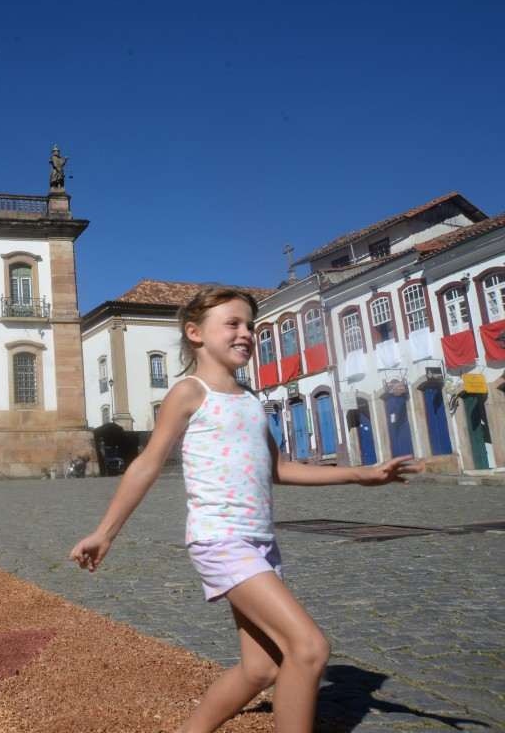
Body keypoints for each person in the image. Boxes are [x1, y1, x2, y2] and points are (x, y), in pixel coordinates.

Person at [69, 286, 416, 733]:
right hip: (221, 539)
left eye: (249, 325)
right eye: (232, 323)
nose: (246, 333)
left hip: (261, 543)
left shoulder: (251, 398)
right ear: (195, 333)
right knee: (308, 648)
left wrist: (361, 474)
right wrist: (105, 532)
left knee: (262, 669)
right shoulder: (189, 393)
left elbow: (279, 468)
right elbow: (147, 466)